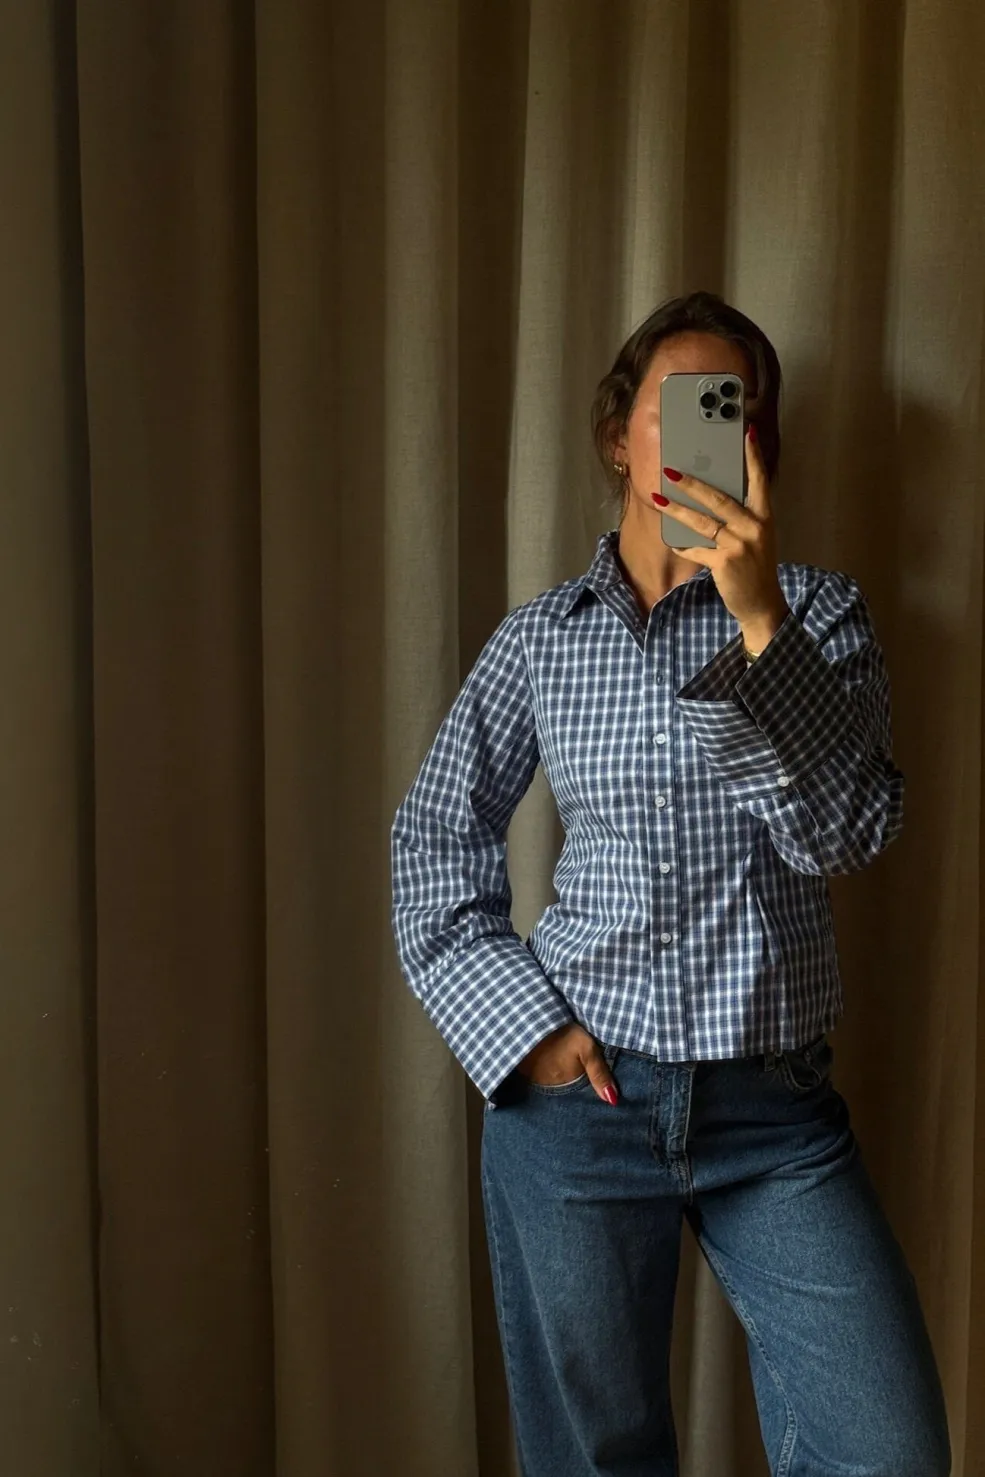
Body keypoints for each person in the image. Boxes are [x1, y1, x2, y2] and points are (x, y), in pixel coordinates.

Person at [389, 292, 951, 1477]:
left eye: (731, 407)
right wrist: (524, 1031)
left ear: (759, 442)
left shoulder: (820, 616)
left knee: (886, 1451)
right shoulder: (544, 639)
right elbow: (433, 837)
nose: (708, 431)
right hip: (579, 1113)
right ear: (618, 436)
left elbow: (845, 834)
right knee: (598, 1459)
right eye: (681, 404)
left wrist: (759, 621)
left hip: (776, 1111)